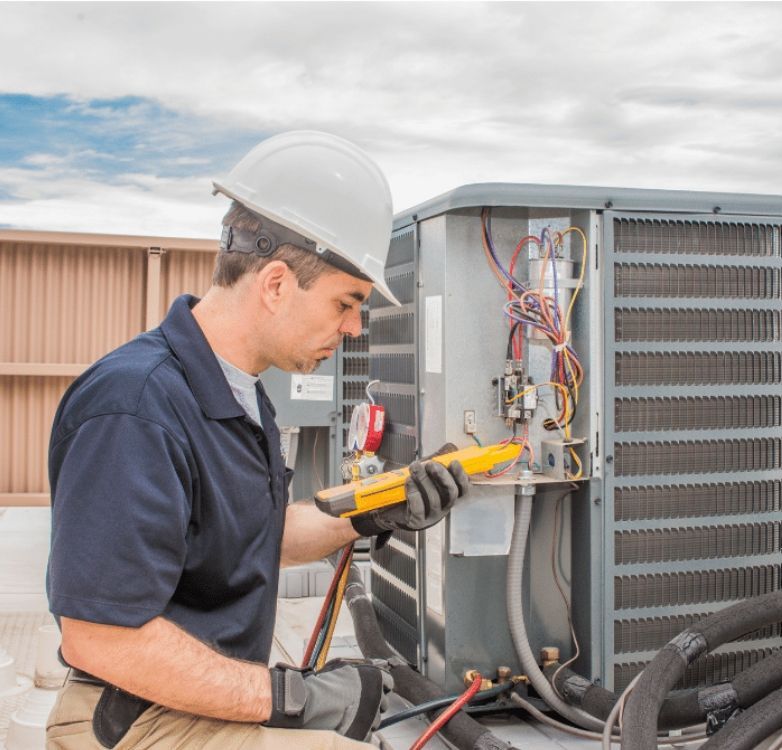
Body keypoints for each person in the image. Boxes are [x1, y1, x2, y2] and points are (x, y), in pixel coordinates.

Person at [44, 131, 468, 749]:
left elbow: (253, 542)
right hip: (131, 718)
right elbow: (100, 634)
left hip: (190, 700)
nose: (353, 328)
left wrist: (377, 509)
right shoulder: (136, 408)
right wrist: (291, 697)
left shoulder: (237, 394)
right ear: (274, 284)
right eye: (347, 302)